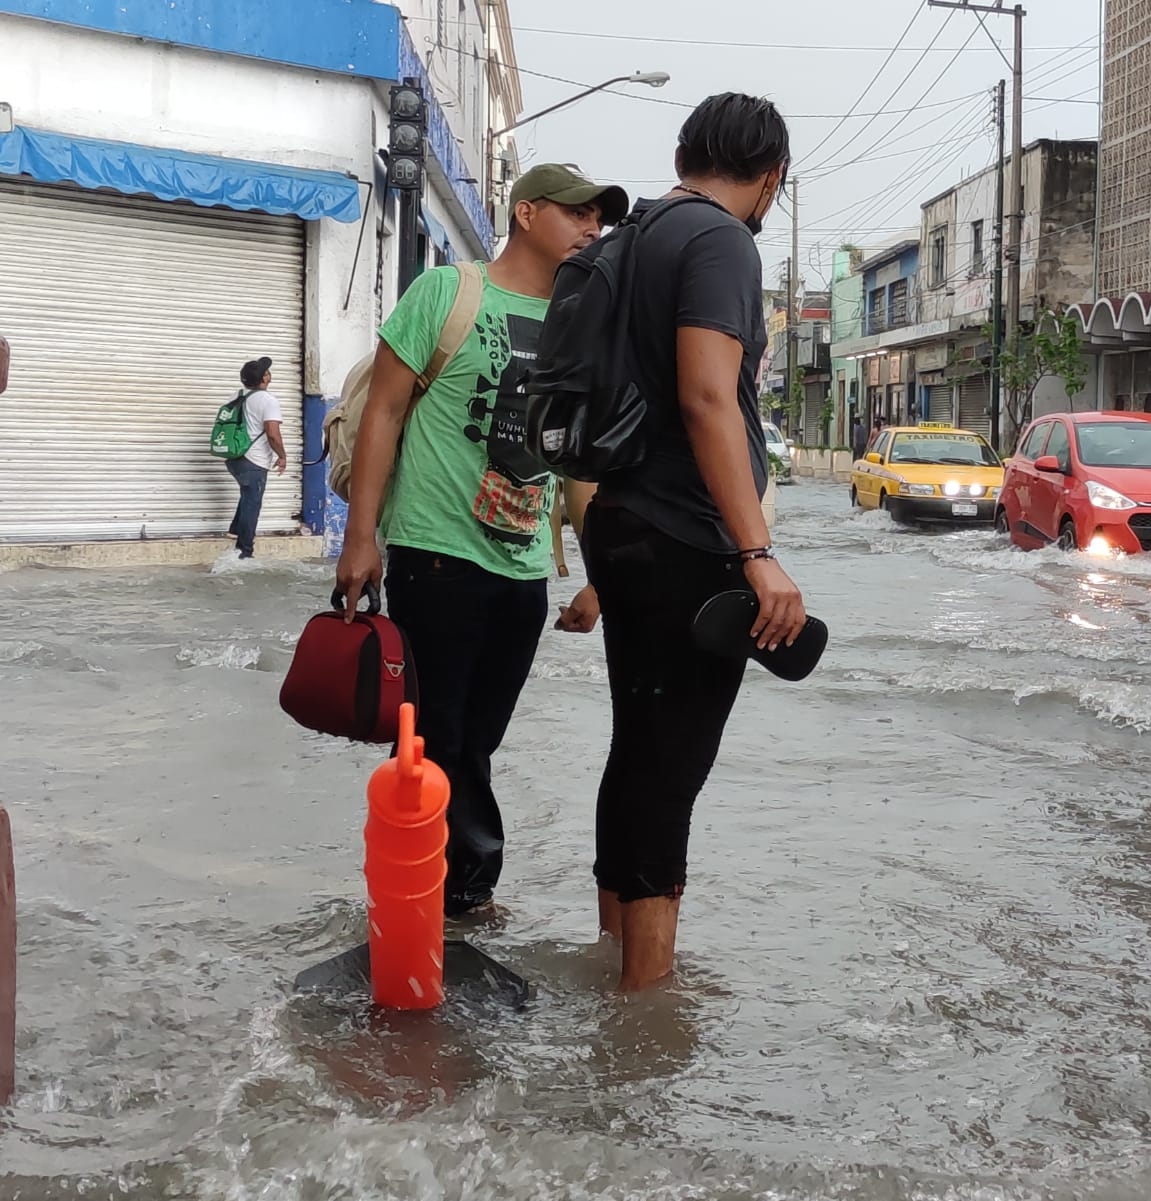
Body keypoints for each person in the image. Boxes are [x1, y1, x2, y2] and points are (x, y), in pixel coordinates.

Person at [335, 163, 628, 918]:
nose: (592, 229)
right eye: (578, 214)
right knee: (441, 735)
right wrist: (360, 538)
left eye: (600, 219)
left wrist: (601, 580)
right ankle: (451, 898)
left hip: (523, 565)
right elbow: (385, 414)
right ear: (527, 212)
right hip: (436, 552)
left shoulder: (580, 328)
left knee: (476, 739)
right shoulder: (448, 291)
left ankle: (438, 892)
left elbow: (578, 469)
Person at [580, 93, 806, 991]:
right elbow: (709, 396)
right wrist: (757, 552)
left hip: (620, 521)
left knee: (637, 745)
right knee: (669, 767)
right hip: (687, 537)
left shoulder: (629, 236)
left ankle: (609, 959)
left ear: (685, 151)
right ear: (771, 177)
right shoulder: (720, 240)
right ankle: (645, 1006)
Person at [228, 357, 288, 558]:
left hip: (234, 456)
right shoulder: (268, 400)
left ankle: (235, 529)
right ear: (265, 378)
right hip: (254, 460)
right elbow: (272, 433)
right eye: (267, 371)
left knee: (247, 495)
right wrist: (282, 456)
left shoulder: (237, 396)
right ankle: (244, 552)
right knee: (253, 502)